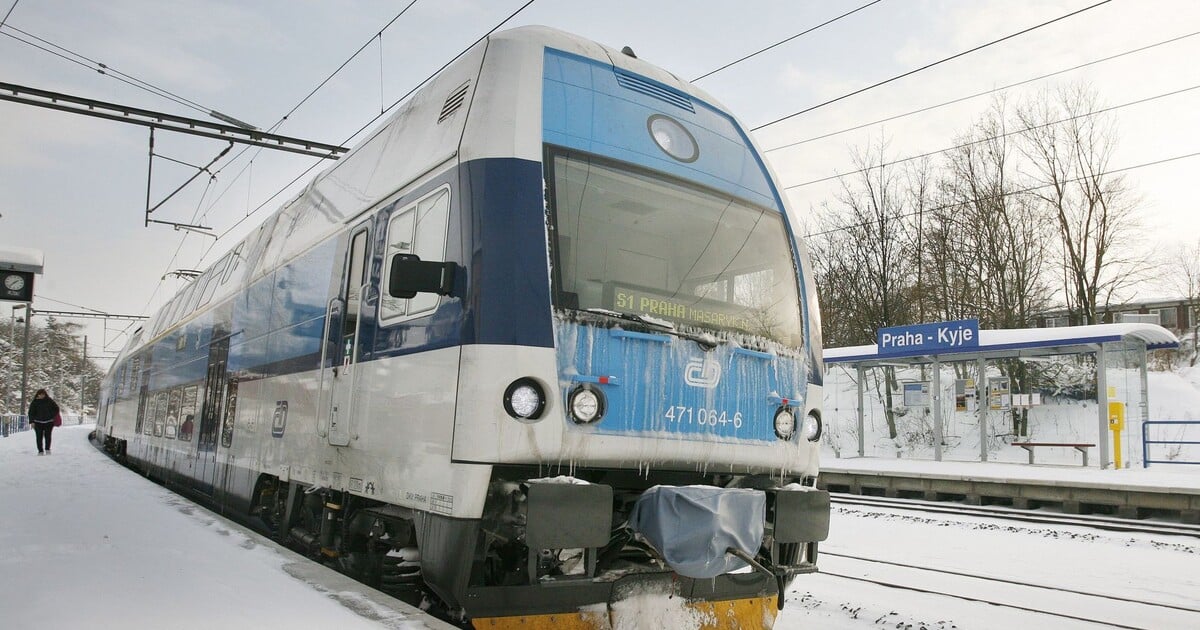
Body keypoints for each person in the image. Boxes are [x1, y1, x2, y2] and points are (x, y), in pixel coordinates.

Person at [27, 388, 60, 455]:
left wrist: (51, 415)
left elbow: (56, 408)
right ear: (37, 395)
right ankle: (40, 451)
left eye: (43, 394)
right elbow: (31, 413)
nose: (41, 396)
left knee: (48, 436)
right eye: (40, 394)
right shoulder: (35, 402)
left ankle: (47, 449)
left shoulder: (49, 401)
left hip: (49, 422)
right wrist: (32, 421)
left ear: (45, 394)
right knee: (39, 437)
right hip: (37, 422)